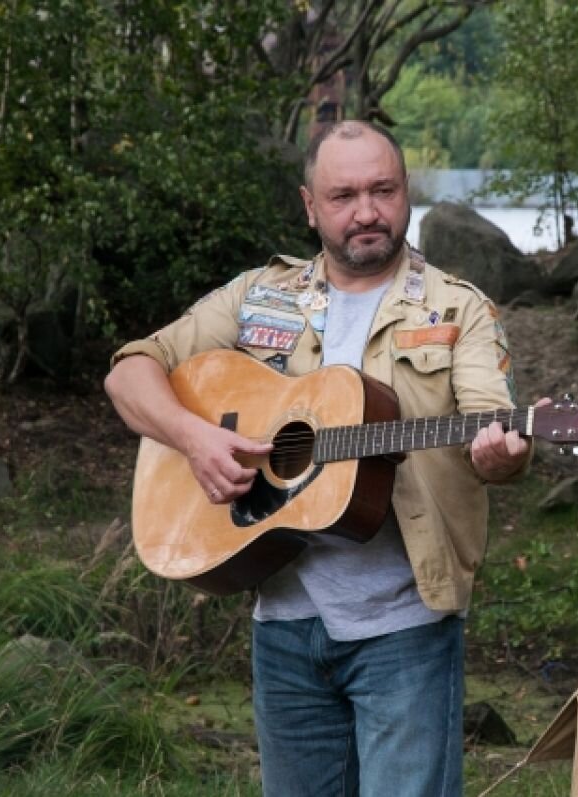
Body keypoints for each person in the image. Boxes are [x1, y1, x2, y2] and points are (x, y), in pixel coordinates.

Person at [104, 120, 534, 796]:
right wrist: (195, 438)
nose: (367, 211)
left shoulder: (459, 308)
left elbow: (495, 432)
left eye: (383, 190)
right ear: (310, 206)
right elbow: (130, 371)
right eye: (344, 195)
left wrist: (502, 453)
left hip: (405, 627)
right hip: (285, 623)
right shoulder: (257, 298)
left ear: (407, 195)